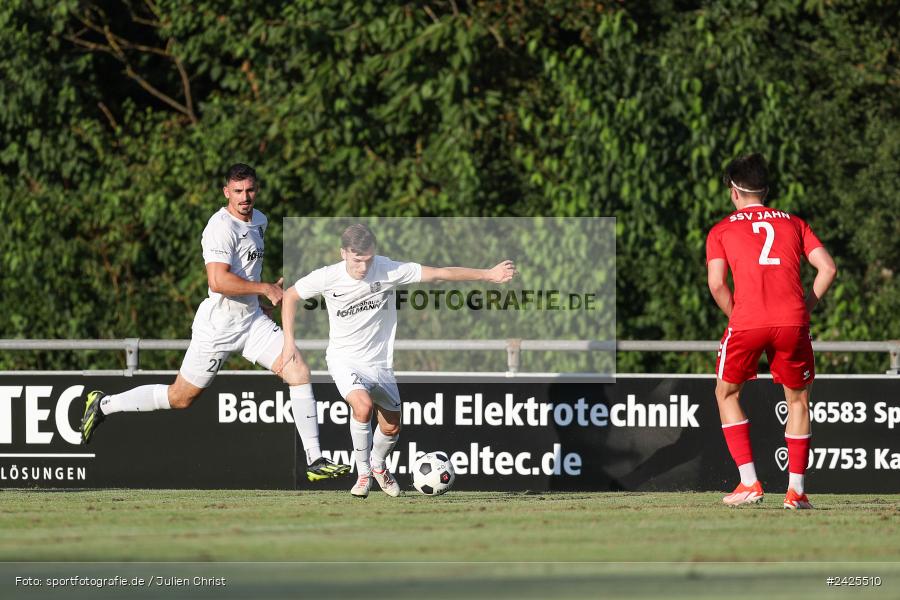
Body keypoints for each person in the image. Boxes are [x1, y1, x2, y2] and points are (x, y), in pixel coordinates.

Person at [79, 164, 350, 482]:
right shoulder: (220, 228)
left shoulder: (259, 220)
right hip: (218, 328)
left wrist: (259, 300)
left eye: (249, 190)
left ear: (256, 190)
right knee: (180, 398)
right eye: (238, 191)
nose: (244, 197)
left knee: (298, 371)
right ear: (226, 192)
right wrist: (264, 288)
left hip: (251, 323)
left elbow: (245, 274)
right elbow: (218, 281)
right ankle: (104, 404)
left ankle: (314, 461)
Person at [281, 223, 517, 498]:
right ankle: (363, 474)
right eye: (357, 261)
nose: (363, 267)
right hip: (344, 359)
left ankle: (379, 466)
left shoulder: (388, 269)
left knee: (392, 426)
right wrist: (289, 342)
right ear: (343, 253)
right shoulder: (327, 277)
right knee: (363, 406)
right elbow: (291, 296)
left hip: (379, 364)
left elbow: (439, 275)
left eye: (368, 260)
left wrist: (488, 274)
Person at [706, 153, 837, 509]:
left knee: (726, 393)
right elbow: (827, 268)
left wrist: (738, 315)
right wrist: (804, 309)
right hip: (792, 321)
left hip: (747, 321)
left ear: (734, 191)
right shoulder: (795, 223)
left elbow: (717, 284)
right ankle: (796, 491)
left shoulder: (722, 230)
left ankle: (749, 483)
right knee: (798, 400)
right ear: (766, 189)